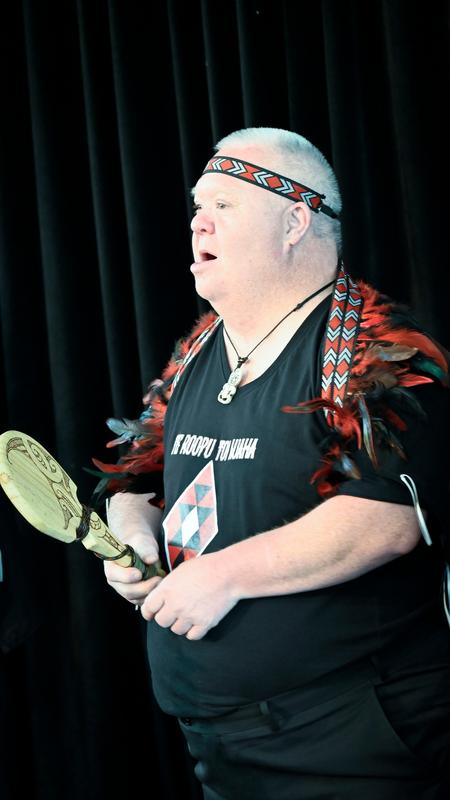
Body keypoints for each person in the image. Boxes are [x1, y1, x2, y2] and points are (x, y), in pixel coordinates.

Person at [94, 128, 450, 800]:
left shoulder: (380, 346)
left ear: (294, 220)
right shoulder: (196, 353)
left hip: (353, 742)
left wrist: (227, 575)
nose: (199, 220)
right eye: (198, 206)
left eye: (224, 204)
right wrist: (133, 533)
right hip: (218, 745)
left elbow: (383, 521)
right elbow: (134, 475)